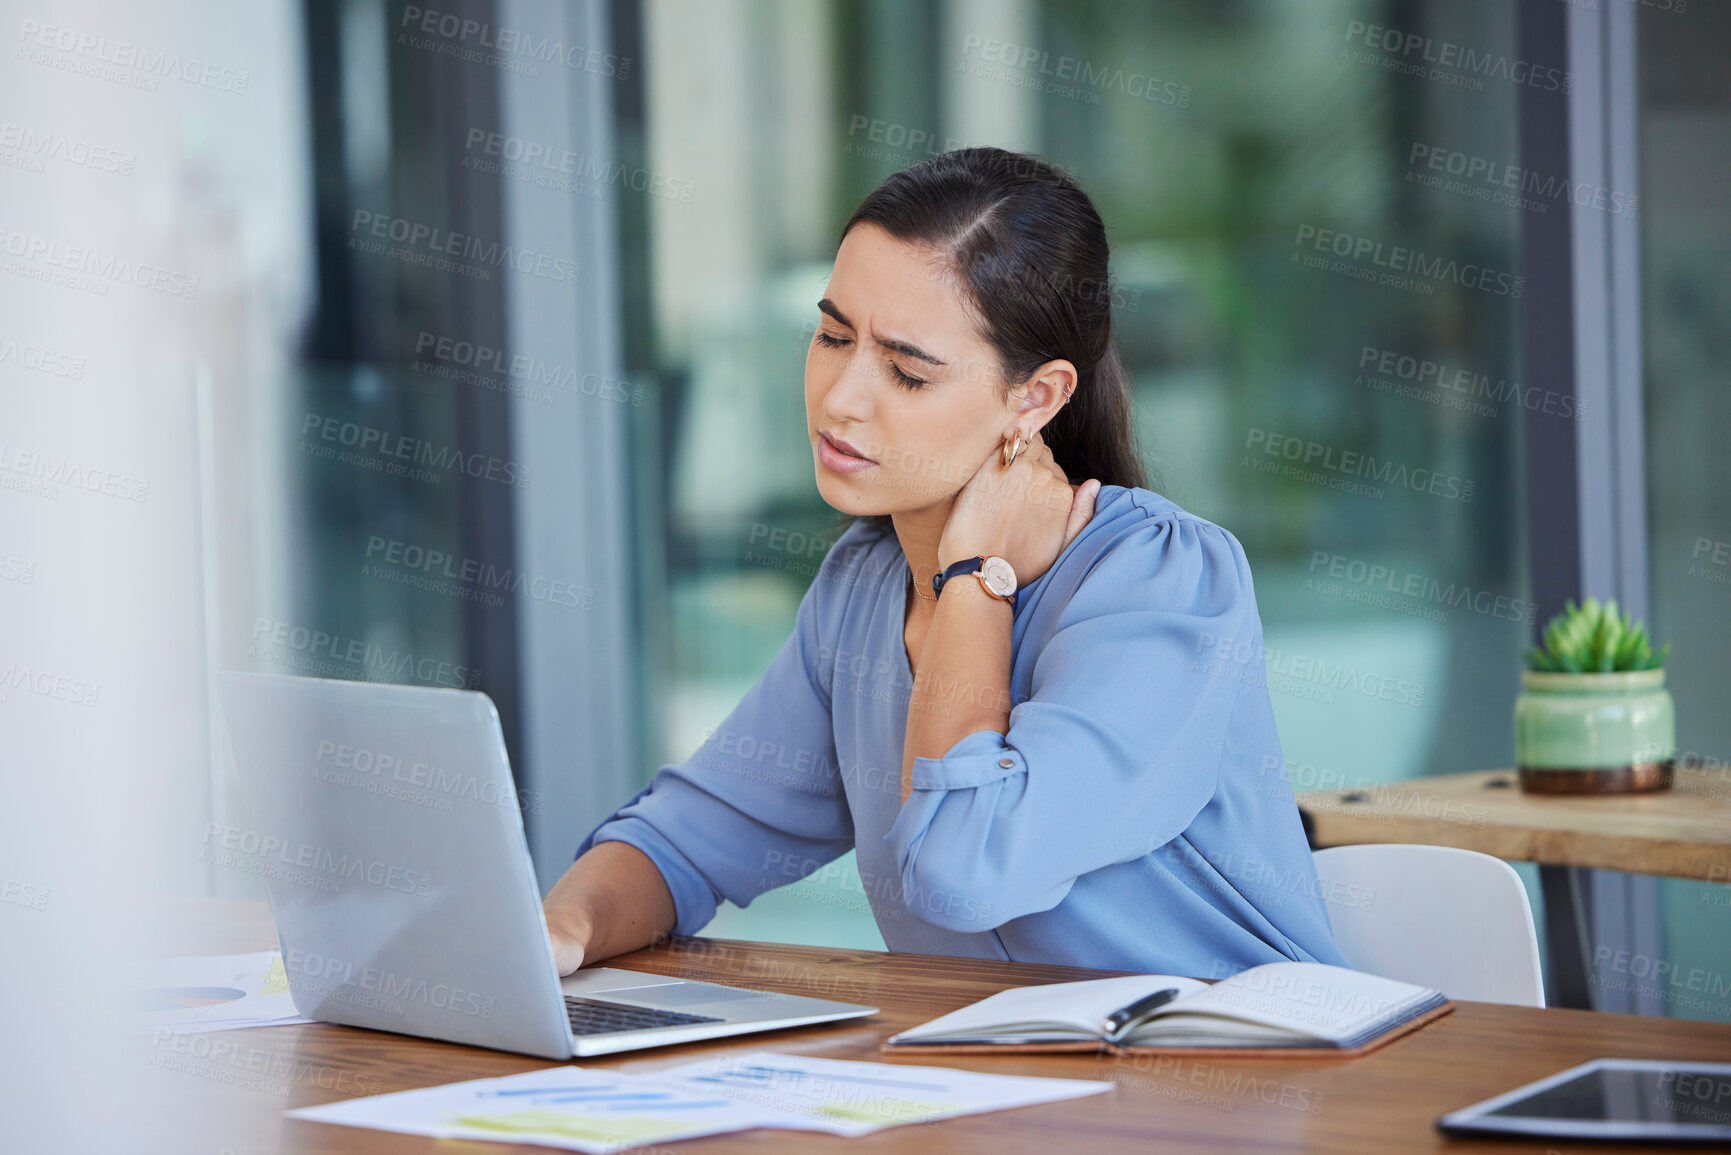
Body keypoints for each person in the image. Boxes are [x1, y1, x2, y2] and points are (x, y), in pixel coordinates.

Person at [542, 147, 1347, 976]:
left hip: (1230, 1075)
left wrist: (973, 581)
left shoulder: (1163, 583)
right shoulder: (862, 587)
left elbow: (964, 873)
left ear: (1034, 398)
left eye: (906, 372)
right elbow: (687, 839)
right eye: (830, 335)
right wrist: (558, 931)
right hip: (1002, 1086)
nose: (840, 398)